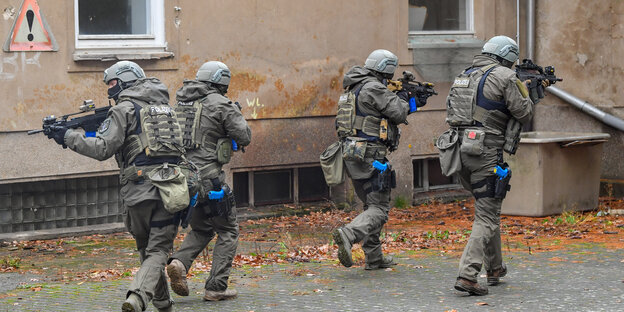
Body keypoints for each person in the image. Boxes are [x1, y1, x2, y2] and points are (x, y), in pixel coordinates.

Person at [46, 60, 183, 312]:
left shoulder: (123, 110)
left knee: (152, 250)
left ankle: (138, 297)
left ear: (126, 80)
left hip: (139, 189)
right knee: (156, 250)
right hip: (172, 188)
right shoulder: (166, 108)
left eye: (112, 83)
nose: (110, 89)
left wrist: (66, 136)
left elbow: (101, 148)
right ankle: (162, 303)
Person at [444, 36, 534, 295]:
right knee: (487, 215)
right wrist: (528, 93)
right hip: (486, 153)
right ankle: (468, 275)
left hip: (459, 152)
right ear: (508, 56)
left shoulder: (464, 75)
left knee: (487, 209)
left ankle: (495, 268)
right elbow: (523, 113)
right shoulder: (505, 76)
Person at [166, 61, 251, 301]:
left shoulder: (180, 102)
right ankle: (216, 287)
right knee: (228, 230)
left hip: (182, 179)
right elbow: (244, 136)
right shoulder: (222, 104)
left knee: (203, 228)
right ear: (222, 81)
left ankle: (180, 264)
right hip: (210, 180)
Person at [331, 49, 422, 270]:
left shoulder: (353, 88)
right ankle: (349, 234)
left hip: (353, 154)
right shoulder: (373, 87)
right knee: (379, 209)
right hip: (371, 155)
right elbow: (399, 112)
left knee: (371, 205)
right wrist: (409, 99)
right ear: (386, 69)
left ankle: (374, 257)